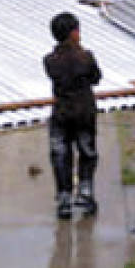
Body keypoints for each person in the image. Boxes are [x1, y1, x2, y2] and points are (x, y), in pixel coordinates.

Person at [44, 12, 103, 218]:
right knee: (87, 151)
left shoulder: (50, 60)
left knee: (61, 154)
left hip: (61, 112)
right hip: (85, 110)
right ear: (75, 33)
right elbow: (96, 78)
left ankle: (64, 198)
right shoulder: (86, 57)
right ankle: (85, 193)